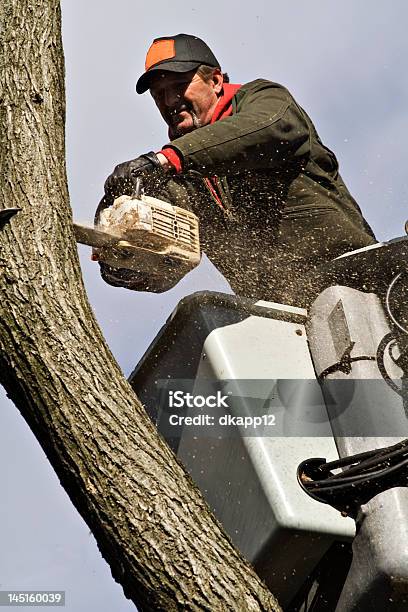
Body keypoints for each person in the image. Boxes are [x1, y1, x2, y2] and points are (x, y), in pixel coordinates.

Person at [97, 33, 376, 305]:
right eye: (160, 94)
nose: (170, 101)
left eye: (180, 85)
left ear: (216, 81)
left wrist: (164, 160)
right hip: (280, 318)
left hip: (356, 281)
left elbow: (271, 128)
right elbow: (170, 261)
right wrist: (123, 256)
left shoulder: (264, 100)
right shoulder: (182, 181)